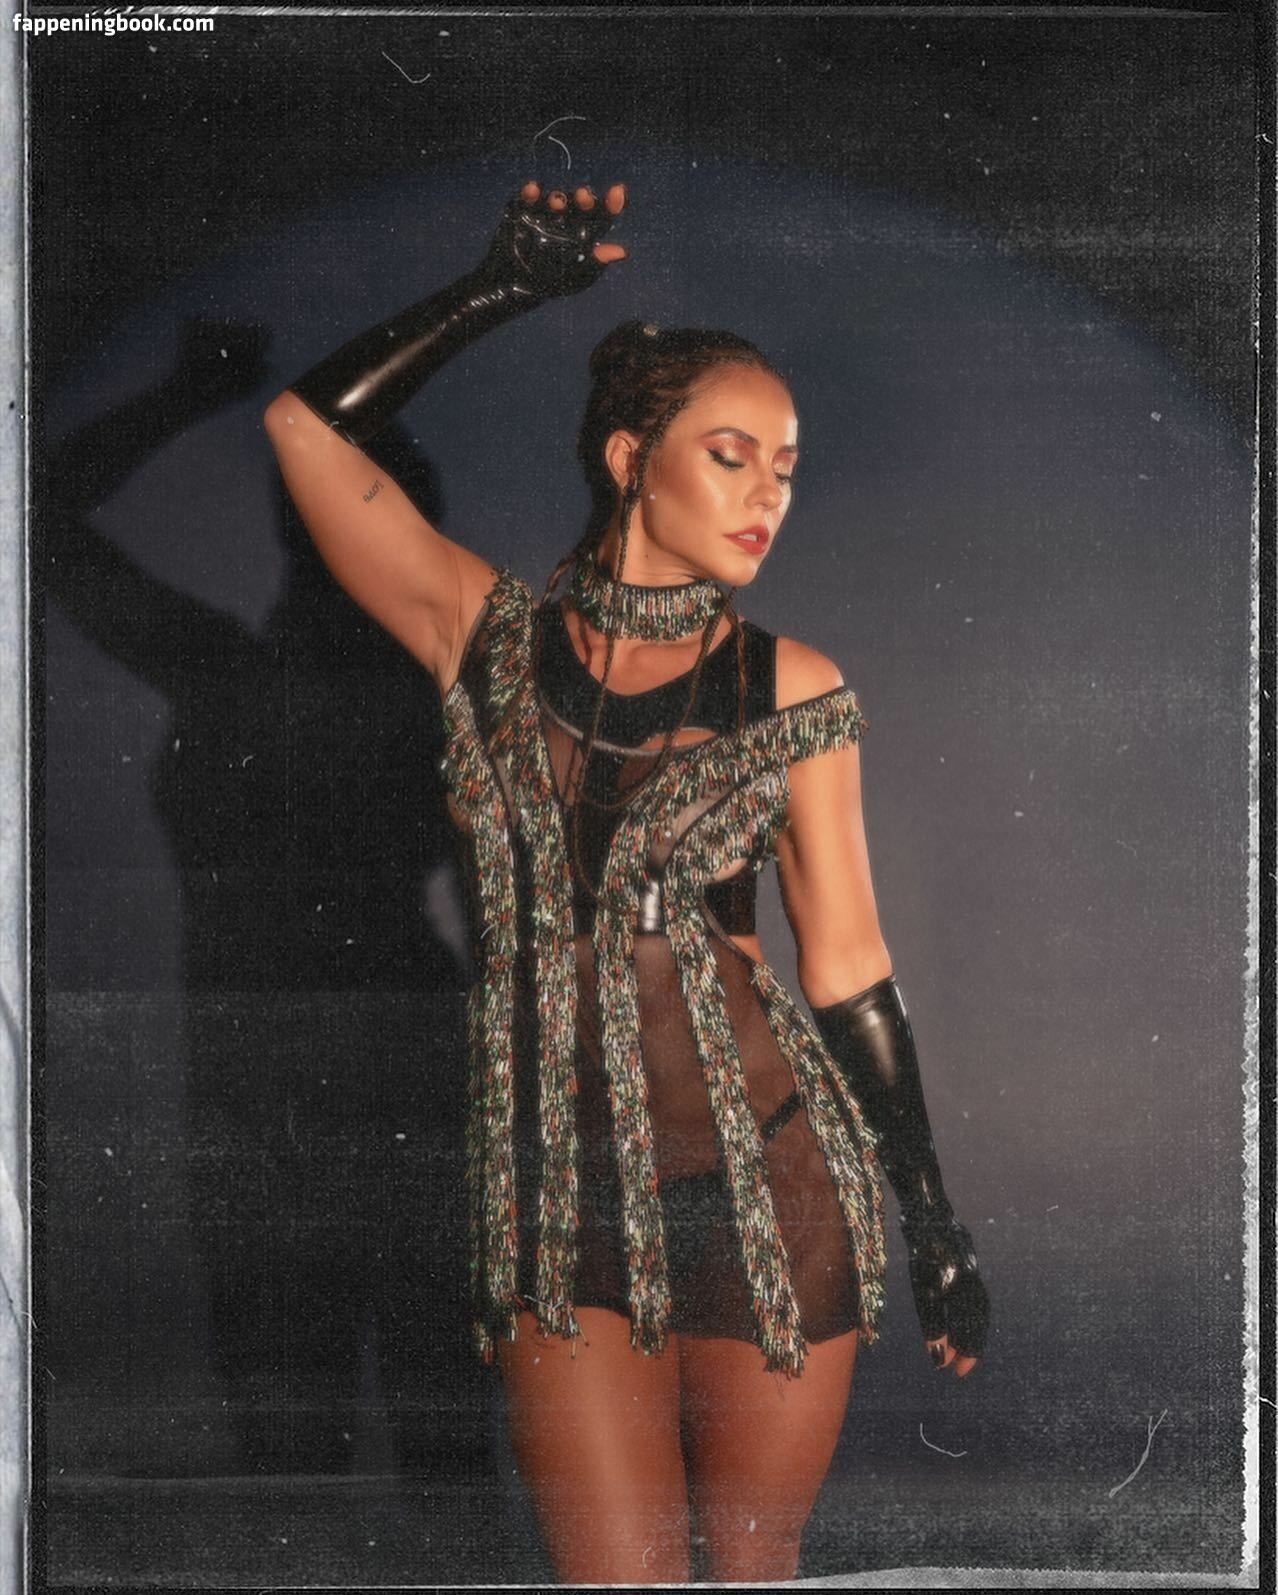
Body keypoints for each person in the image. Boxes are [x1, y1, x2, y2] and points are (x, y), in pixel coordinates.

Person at [263, 180, 990, 1585]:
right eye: (731, 455)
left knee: (750, 1564)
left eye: (786, 467)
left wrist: (935, 1219)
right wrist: (494, 292)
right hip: (557, 1201)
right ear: (628, 458)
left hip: (773, 1188)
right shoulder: (481, 636)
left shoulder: (792, 686)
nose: (769, 494)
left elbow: (847, 966)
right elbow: (304, 428)